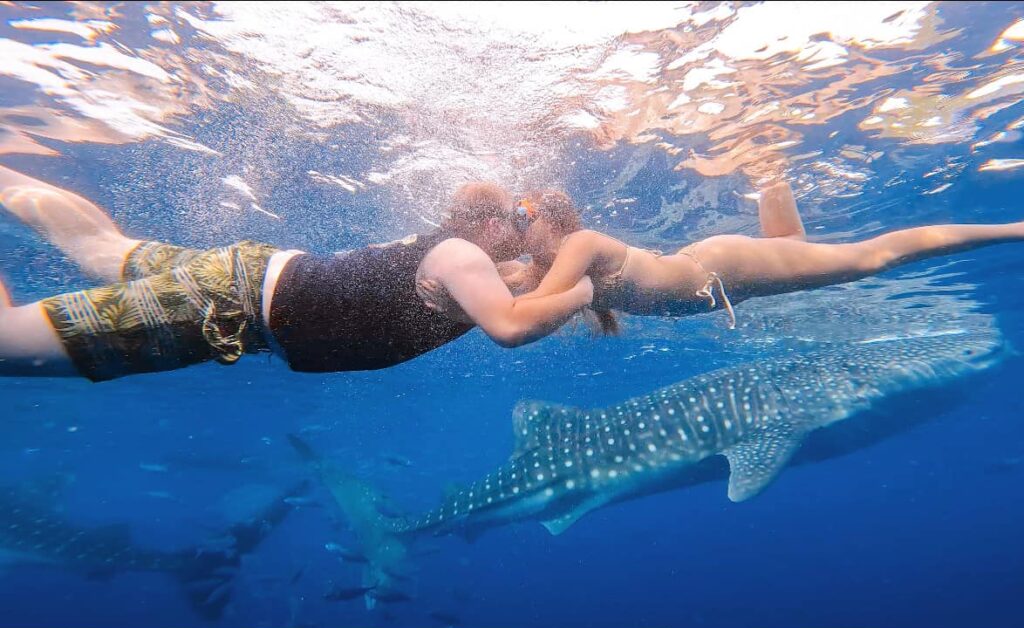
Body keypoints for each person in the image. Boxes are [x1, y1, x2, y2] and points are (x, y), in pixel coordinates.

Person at [0, 166, 593, 380]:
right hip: (222, 304)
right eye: (526, 228)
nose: (536, 254)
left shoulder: (466, 260)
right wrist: (586, 286)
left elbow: (526, 289)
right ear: (491, 226)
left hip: (240, 280)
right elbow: (511, 327)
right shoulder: (462, 256)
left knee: (103, 247)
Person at [422, 181, 1024, 331]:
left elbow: (531, 308)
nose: (511, 236)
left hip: (720, 268)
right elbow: (525, 294)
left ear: (548, 224)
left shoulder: (577, 248)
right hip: (711, 274)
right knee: (791, 250)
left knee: (871, 259)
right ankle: (771, 172)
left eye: (521, 221)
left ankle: (1011, 228)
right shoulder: (548, 265)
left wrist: (473, 281)